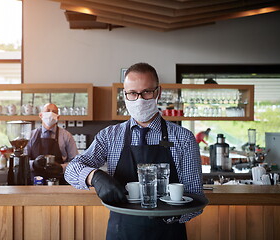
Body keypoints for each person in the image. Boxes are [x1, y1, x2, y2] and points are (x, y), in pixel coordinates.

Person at [65, 63, 204, 239]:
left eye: (146, 92)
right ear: (124, 95)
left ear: (158, 93)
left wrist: (170, 217)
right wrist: (94, 177)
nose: (139, 99)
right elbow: (72, 168)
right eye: (132, 93)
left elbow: (195, 194)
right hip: (121, 231)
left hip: (168, 232)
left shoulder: (183, 138)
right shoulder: (110, 136)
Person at [25, 103, 78, 184]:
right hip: (35, 184)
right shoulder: (30, 136)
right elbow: (21, 162)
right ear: (41, 115)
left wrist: (61, 168)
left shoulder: (66, 136)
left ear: (58, 117)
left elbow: (76, 163)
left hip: (60, 183)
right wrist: (34, 164)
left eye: (54, 112)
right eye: (47, 111)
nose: (50, 114)